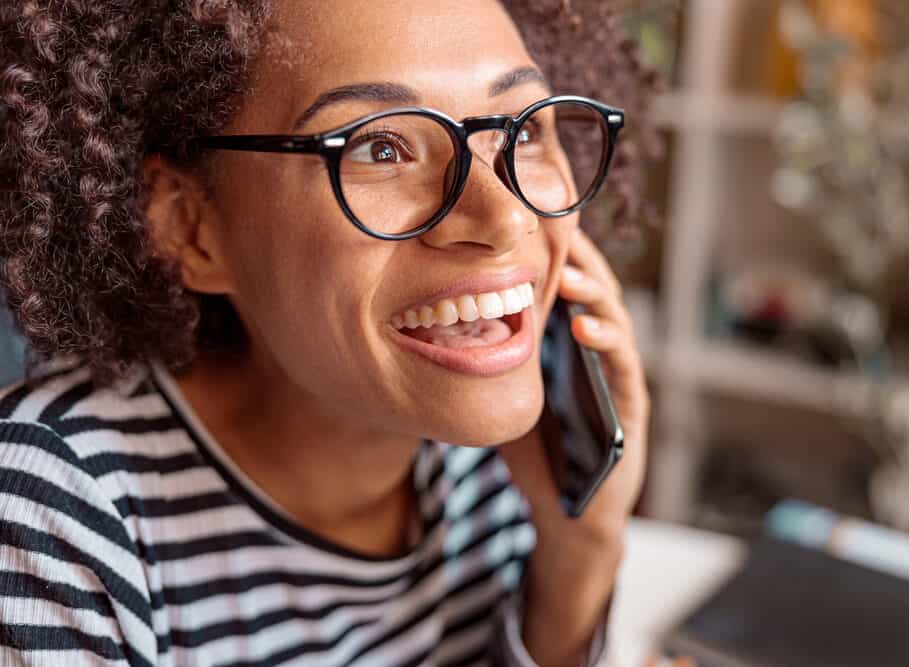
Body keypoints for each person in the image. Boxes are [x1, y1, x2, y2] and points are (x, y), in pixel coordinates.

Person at [0, 0, 651, 664]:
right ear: (190, 227)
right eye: (380, 147)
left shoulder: (496, 461)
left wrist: (581, 546)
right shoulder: (56, 508)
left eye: (527, 128)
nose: (506, 217)